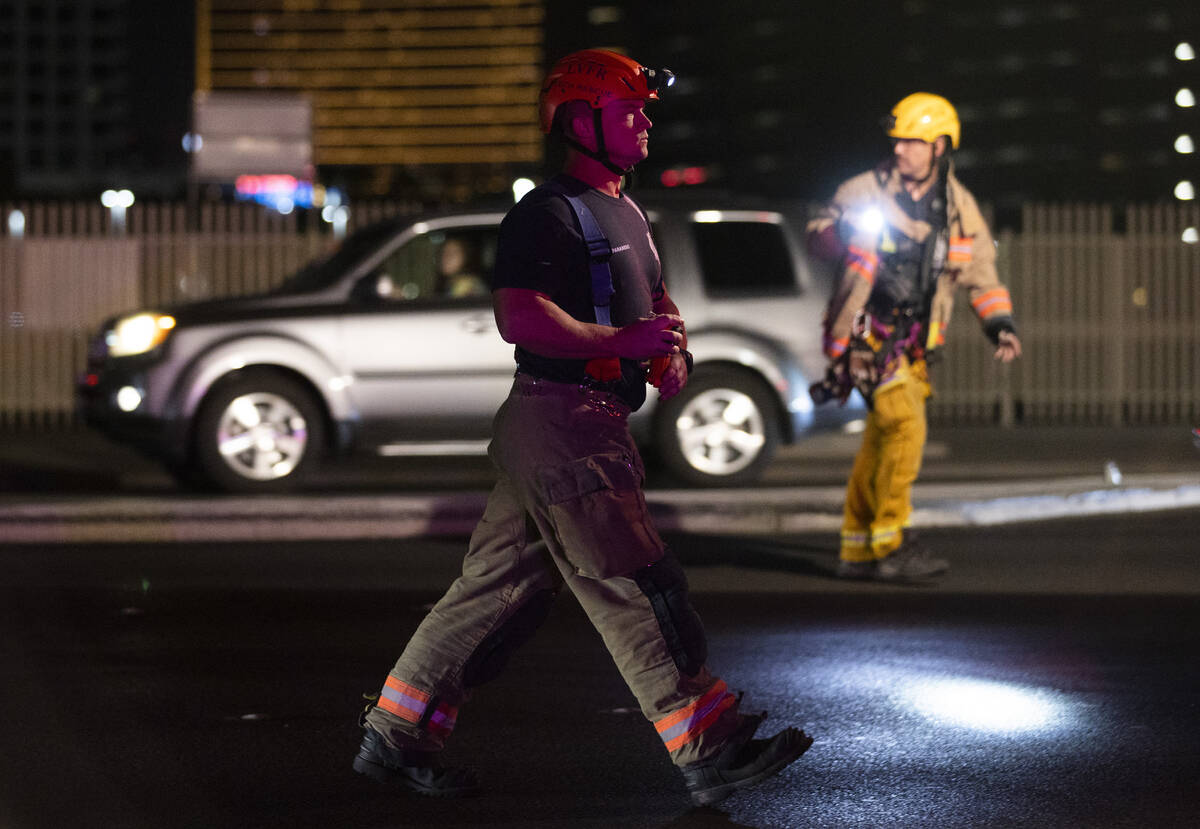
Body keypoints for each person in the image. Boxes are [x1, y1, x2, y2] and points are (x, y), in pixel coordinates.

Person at [352, 49, 813, 807]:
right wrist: (619, 346)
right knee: (636, 585)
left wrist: (671, 351)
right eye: (630, 109)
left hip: (572, 427)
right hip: (563, 423)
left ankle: (395, 737)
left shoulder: (626, 210)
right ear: (578, 119)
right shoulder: (547, 212)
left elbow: (655, 303)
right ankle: (710, 744)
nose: (645, 123)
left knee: (493, 593)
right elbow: (518, 314)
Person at [806, 92, 1022, 582]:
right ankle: (893, 542)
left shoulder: (958, 207)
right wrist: (841, 231)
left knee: (883, 439)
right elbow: (816, 235)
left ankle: (858, 550)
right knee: (906, 428)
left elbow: (982, 274)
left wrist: (1000, 325)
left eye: (913, 142)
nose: (901, 149)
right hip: (865, 337)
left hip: (914, 342)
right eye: (898, 141)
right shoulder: (862, 191)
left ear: (940, 147)